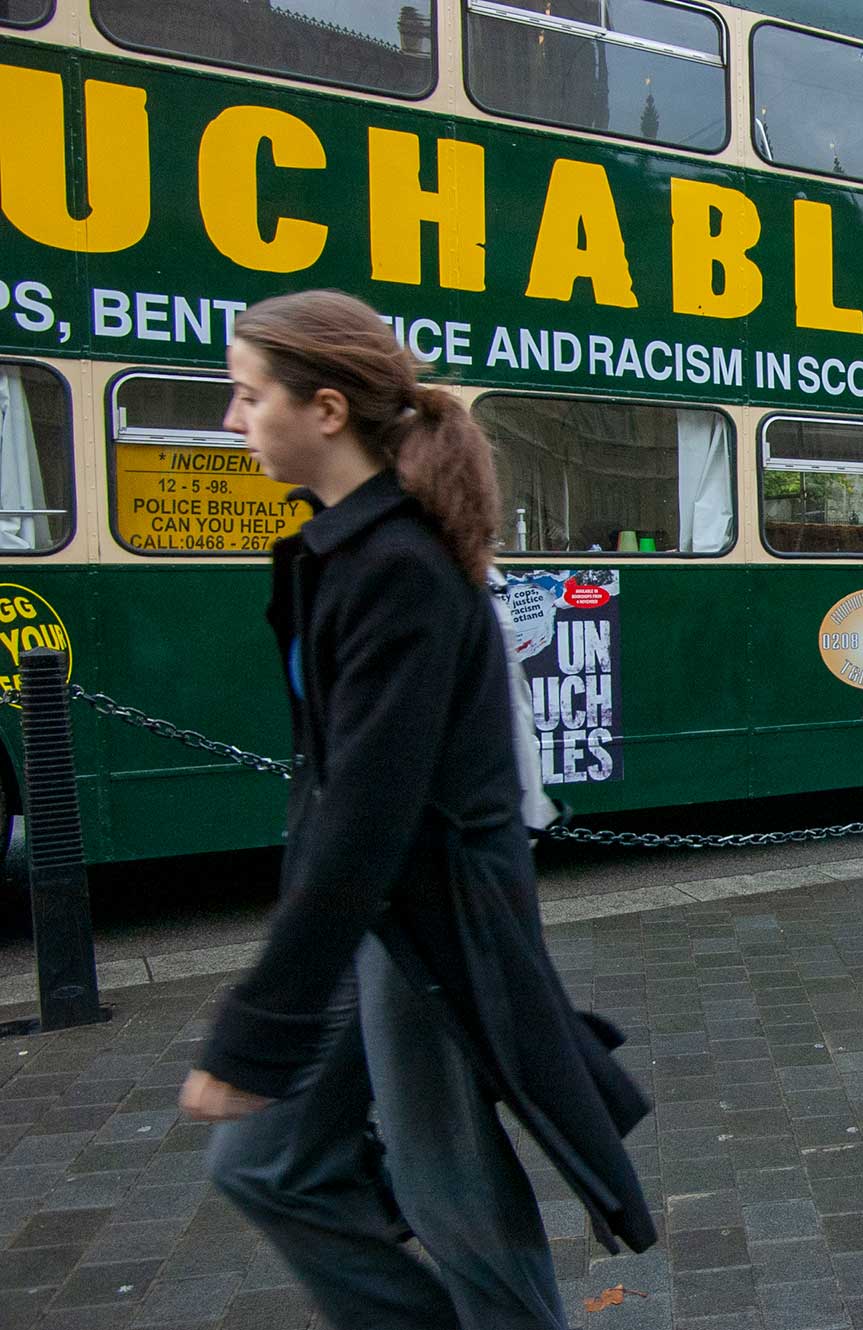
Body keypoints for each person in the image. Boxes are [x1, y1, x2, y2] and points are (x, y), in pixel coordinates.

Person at [183, 291, 654, 1330]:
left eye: (249, 395)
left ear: (327, 409)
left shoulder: (399, 567)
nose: (232, 419)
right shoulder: (343, 552)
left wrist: (254, 1030)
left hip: (433, 923)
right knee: (267, 1165)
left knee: (454, 1200)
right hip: (381, 922)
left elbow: (367, 816)